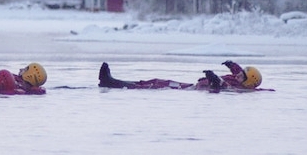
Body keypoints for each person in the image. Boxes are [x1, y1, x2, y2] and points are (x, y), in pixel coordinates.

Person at [98, 60, 265, 92]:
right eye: (239, 73)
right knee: (156, 81)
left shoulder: (236, 88)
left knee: (157, 85)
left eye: (242, 77)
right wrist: (232, 65)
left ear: (248, 83)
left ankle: (111, 83)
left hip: (190, 89)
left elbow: (221, 86)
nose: (237, 76)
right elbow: (238, 73)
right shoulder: (241, 81)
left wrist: (213, 77)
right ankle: (115, 82)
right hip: (189, 85)